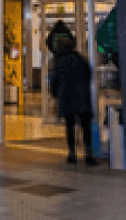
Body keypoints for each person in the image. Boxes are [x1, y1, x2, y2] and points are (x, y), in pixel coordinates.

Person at [51, 33, 97, 166]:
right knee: (85, 126)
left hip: (66, 98)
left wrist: (56, 95)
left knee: (69, 126)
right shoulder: (80, 59)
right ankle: (88, 153)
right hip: (82, 97)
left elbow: (54, 81)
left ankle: (72, 154)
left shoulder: (59, 61)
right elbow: (89, 74)